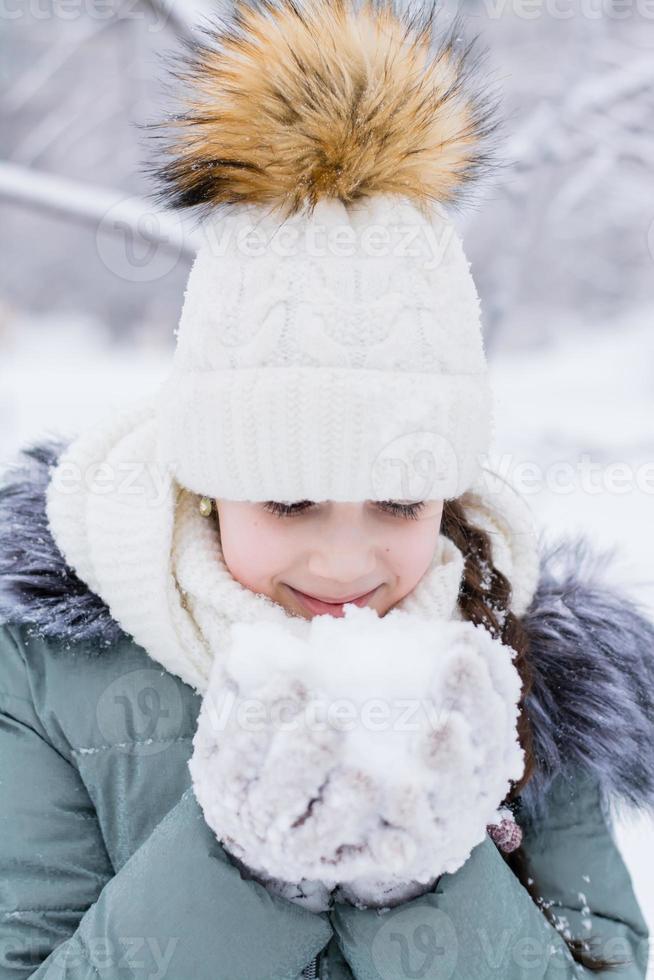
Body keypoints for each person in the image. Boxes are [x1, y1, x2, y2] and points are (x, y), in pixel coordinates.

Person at [1, 0, 652, 977]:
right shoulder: (52, 669)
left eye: (399, 503)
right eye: (291, 499)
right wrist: (246, 862)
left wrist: (421, 877)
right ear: (209, 478)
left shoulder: (516, 665)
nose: (347, 559)